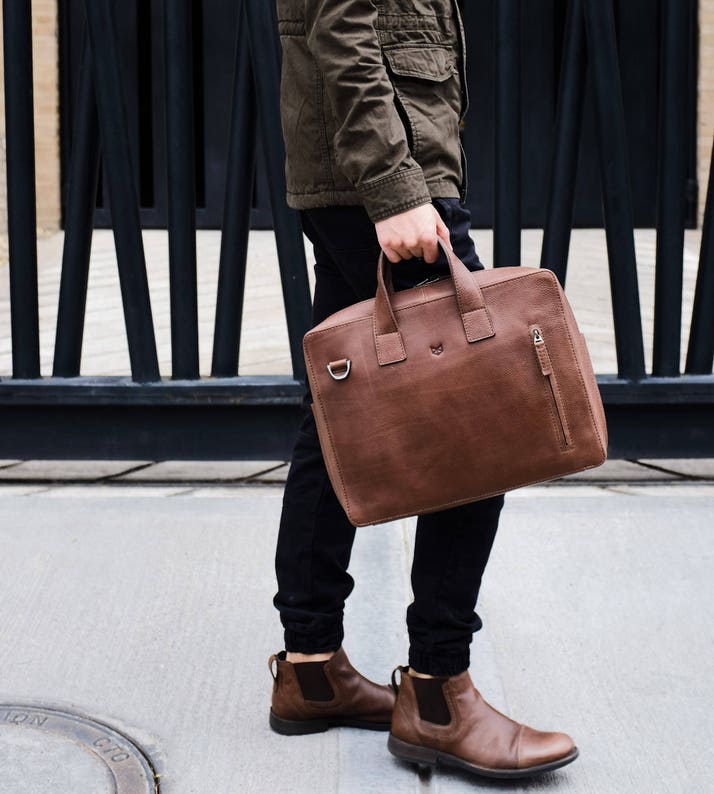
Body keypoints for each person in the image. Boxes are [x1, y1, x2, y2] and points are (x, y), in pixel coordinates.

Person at [267, 0, 578, 779]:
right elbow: (342, 27)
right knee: (480, 418)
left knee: (333, 422)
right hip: (385, 173)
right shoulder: (390, 182)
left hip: (355, 169)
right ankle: (439, 693)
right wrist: (396, 187)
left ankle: (311, 668)